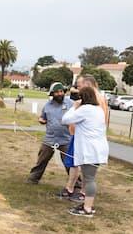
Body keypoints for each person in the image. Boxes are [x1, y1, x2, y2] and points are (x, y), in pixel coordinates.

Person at [61, 87, 109, 217]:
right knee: (90, 178)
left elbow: (65, 119)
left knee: (89, 179)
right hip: (98, 149)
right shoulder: (98, 109)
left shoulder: (85, 110)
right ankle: (88, 205)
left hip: (90, 150)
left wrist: (74, 107)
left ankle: (87, 208)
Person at [27, 83, 74, 184]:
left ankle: (76, 184)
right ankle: (33, 178)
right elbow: (42, 117)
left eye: (61, 91)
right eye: (57, 92)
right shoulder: (47, 106)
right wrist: (41, 120)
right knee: (42, 159)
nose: (60, 93)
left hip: (66, 139)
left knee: (69, 163)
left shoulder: (71, 103)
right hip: (50, 138)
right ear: (52, 94)